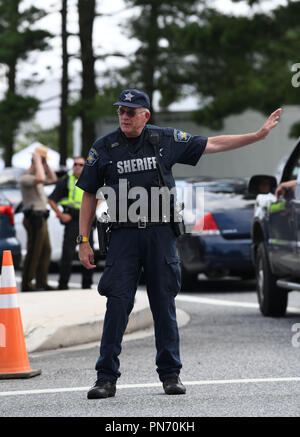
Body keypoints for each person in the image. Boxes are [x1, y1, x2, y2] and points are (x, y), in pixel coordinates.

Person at [76, 89, 282, 399]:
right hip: (123, 237)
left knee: (164, 305)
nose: (125, 116)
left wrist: (257, 135)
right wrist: (83, 240)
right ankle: (106, 378)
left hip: (160, 235)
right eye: (121, 111)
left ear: (146, 115)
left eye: (132, 112)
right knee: (117, 305)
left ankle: (170, 375)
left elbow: (212, 143)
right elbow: (89, 193)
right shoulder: (104, 147)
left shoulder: (165, 139)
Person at [48, 156, 94, 290]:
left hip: (87, 220)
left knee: (88, 251)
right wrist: (61, 215)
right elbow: (51, 200)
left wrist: (93, 212)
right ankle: (63, 285)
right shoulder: (66, 181)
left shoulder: (91, 179)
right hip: (72, 220)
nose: (78, 167)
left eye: (81, 165)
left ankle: (87, 284)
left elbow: (100, 196)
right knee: (67, 253)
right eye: (75, 164)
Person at [20, 145, 57, 292]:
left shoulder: (37, 179)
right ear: (34, 164)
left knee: (46, 250)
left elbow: (53, 179)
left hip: (42, 218)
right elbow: (41, 177)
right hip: (33, 218)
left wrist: (46, 164)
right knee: (33, 251)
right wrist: (37, 161)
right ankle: (27, 283)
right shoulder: (26, 178)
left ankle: (42, 282)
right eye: (40, 165)